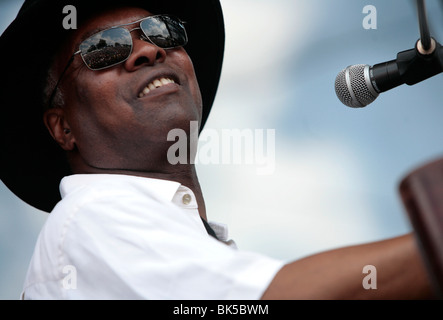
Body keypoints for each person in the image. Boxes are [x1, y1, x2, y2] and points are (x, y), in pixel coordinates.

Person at [0, 0, 436, 300]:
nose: (149, 49)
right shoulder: (88, 220)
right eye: (104, 48)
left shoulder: (196, 245)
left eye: (162, 30)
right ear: (63, 127)